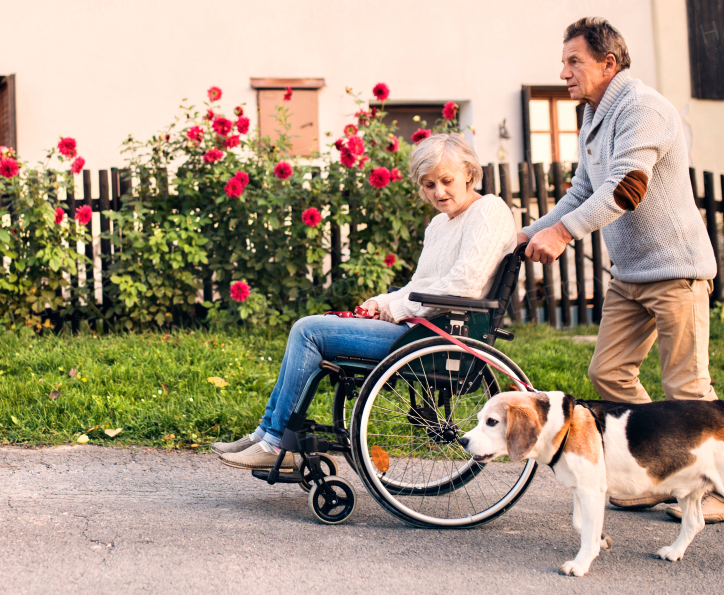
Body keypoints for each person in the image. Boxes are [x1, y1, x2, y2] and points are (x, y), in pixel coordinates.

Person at [519, 17, 724, 521]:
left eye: (574, 61)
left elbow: (623, 190)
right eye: (563, 61)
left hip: (676, 269)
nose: (564, 71)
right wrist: (528, 231)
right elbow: (581, 192)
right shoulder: (592, 115)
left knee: (688, 388)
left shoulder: (642, 109)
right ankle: (656, 473)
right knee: (608, 372)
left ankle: (721, 492)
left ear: (608, 63)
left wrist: (564, 233)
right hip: (630, 274)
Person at [215, 133, 517, 471]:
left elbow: (464, 285)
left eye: (446, 181)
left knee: (308, 330)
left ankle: (273, 441)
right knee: (308, 329)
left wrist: (400, 309)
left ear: (469, 174)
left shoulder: (488, 211)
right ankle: (265, 435)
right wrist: (382, 302)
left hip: (441, 335)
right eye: (429, 184)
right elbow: (420, 285)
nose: (438, 192)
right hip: (420, 327)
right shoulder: (438, 224)